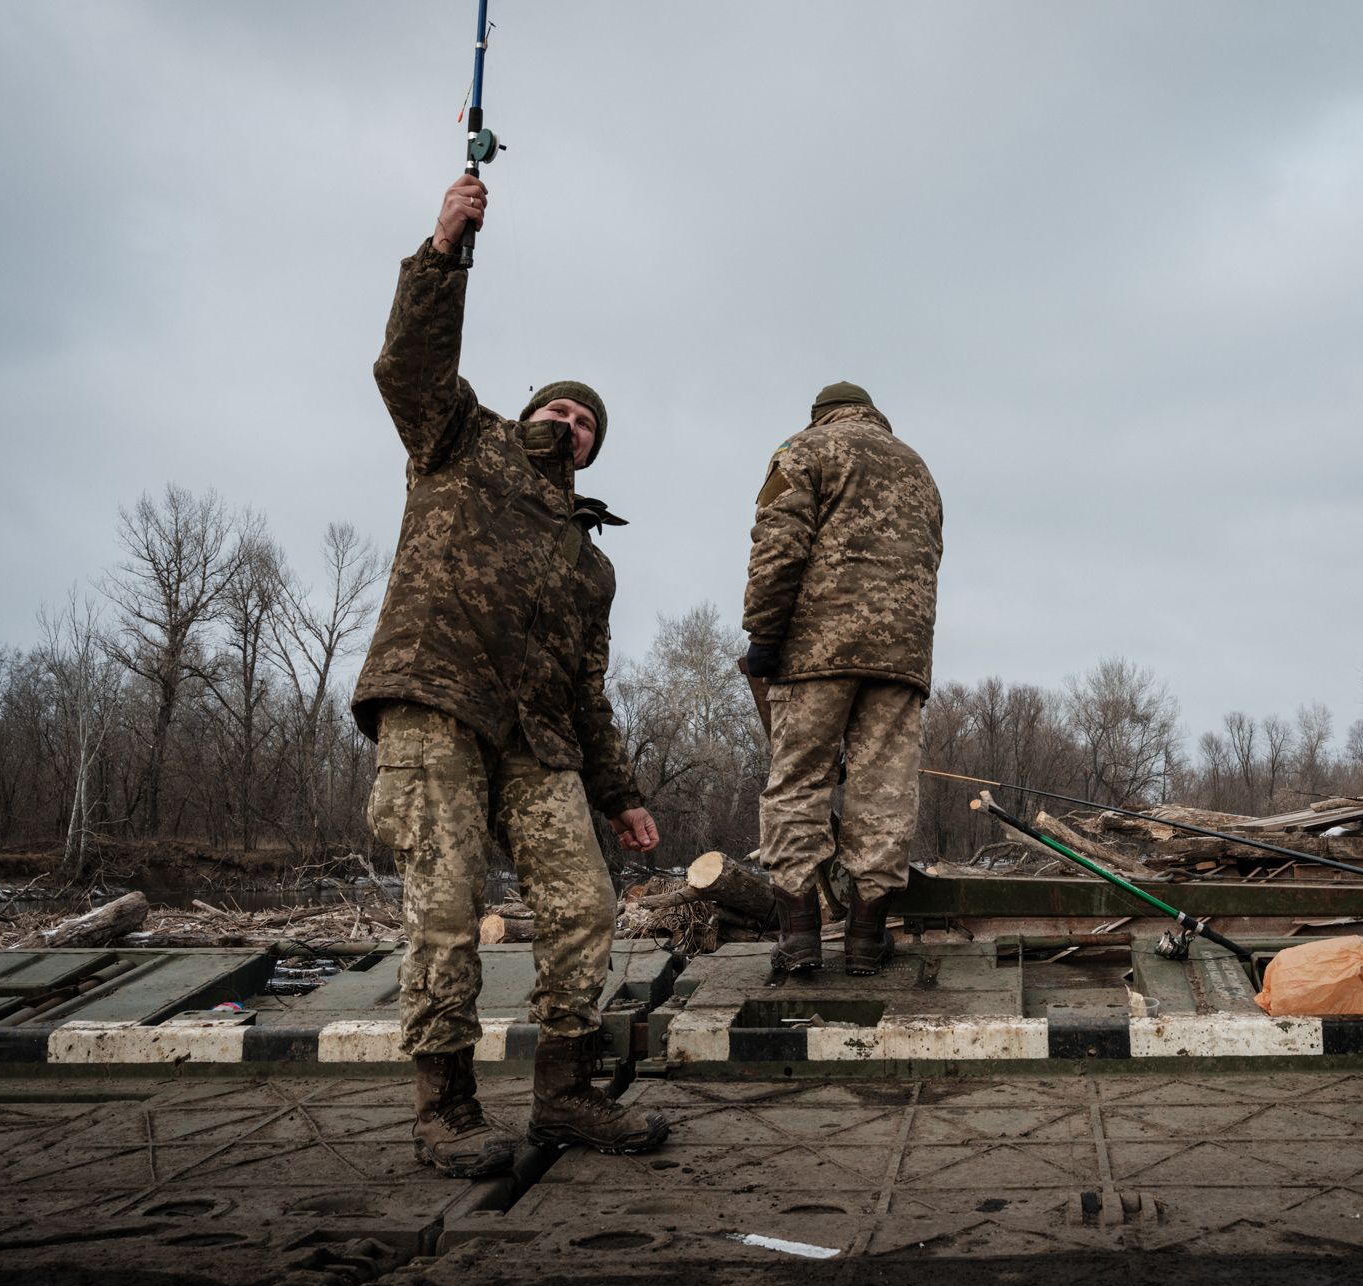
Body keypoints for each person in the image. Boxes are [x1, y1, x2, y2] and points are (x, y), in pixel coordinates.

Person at [353, 173, 669, 1175]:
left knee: (583, 904)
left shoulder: (590, 561)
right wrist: (445, 250)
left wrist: (620, 794)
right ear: (530, 411)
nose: (571, 422)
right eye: (559, 407)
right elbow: (408, 363)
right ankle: (444, 1108)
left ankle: (565, 1093)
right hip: (437, 702)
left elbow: (587, 690)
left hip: (538, 738)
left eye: (587, 422)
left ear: (592, 451)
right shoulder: (461, 439)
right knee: (446, 910)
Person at [744, 382, 944, 975]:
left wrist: (764, 635)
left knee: (798, 782)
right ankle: (865, 938)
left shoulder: (803, 450)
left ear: (819, 416)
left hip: (815, 651)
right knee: (884, 791)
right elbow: (932, 557)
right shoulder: (918, 467)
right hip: (900, 658)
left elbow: (777, 546)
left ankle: (800, 937)